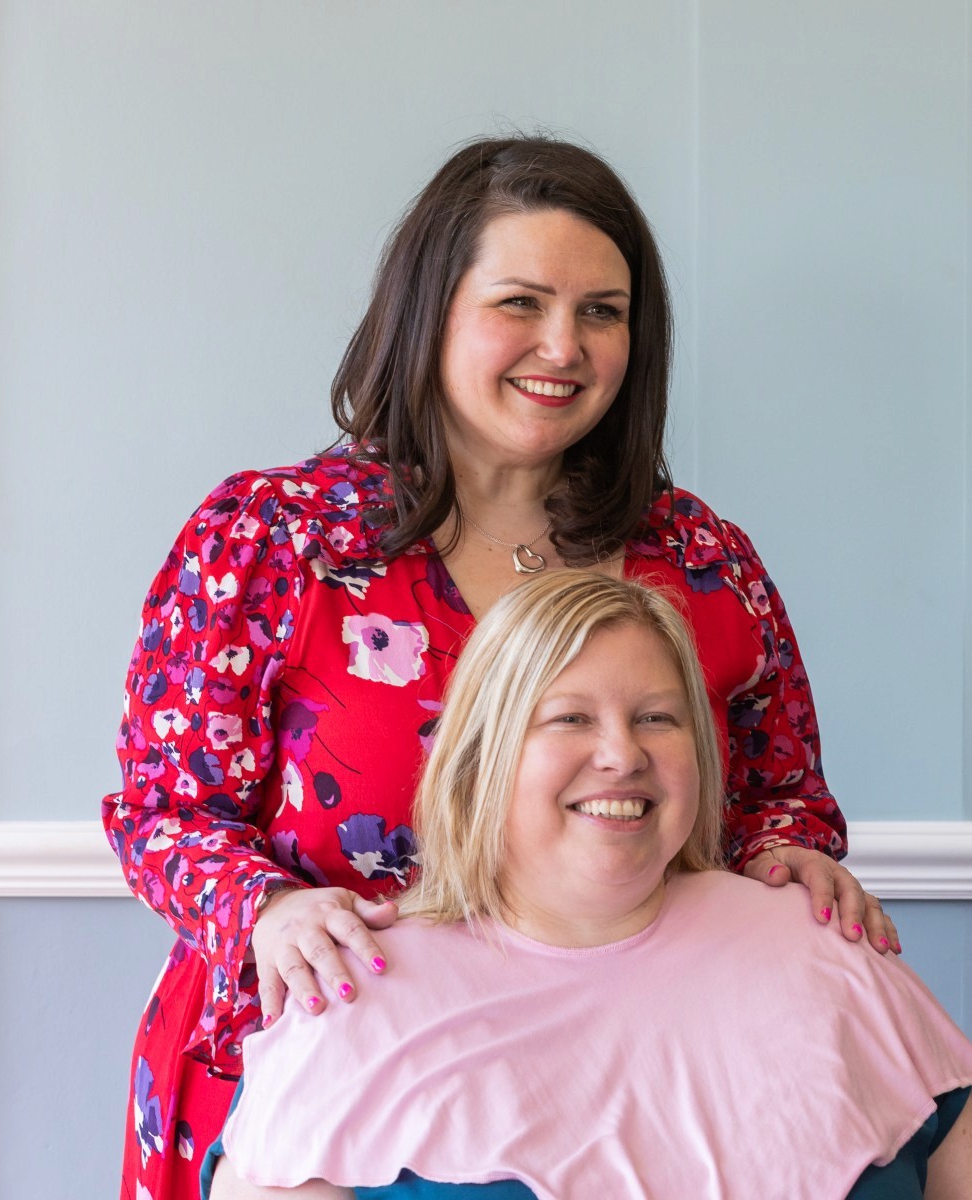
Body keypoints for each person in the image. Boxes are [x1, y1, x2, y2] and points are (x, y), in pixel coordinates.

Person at [104, 136, 896, 1200]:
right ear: (430, 310)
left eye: (603, 312)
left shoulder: (704, 563)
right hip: (316, 1100)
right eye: (520, 303)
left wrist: (792, 856)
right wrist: (267, 912)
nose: (564, 347)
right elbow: (164, 811)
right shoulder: (272, 542)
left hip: (613, 1097)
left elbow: (778, 798)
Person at [204, 571, 972, 1200]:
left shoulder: (829, 950)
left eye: (657, 719)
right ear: (480, 762)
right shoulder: (348, 1005)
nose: (622, 755)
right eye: (569, 718)